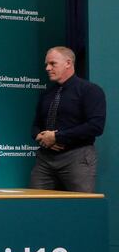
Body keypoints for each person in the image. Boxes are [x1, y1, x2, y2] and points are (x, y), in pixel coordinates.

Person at [30, 46, 106, 192]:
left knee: (80, 207)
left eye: (52, 63)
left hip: (76, 157)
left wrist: (57, 137)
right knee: (36, 206)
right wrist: (40, 136)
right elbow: (36, 125)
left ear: (68, 63)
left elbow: (96, 126)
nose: (47, 68)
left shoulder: (90, 90)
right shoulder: (46, 94)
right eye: (46, 64)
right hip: (45, 159)